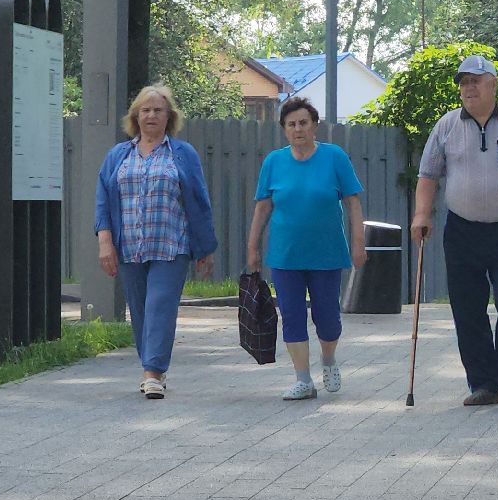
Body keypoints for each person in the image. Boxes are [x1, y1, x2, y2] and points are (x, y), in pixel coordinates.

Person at [410, 55, 498, 407]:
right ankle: (483, 385)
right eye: (463, 82)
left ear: (493, 85)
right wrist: (421, 215)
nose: (468, 87)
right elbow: (428, 176)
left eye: (475, 80)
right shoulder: (446, 126)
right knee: (468, 309)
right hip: (462, 232)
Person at [94, 84, 217, 400]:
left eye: (158, 110)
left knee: (160, 306)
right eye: (145, 110)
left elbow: (199, 202)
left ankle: (152, 373)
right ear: (136, 115)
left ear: (169, 116)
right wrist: (105, 242)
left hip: (171, 245)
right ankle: (152, 367)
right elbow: (103, 202)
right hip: (129, 246)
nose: (151, 115)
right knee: (140, 311)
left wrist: (205, 249)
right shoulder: (118, 155)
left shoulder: (182, 154)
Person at [246, 97, 367, 401]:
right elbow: (263, 208)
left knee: (327, 317)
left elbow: (352, 202)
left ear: (314, 126)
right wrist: (253, 248)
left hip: (326, 253)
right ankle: (303, 379)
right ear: (284, 130)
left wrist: (358, 243)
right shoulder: (274, 162)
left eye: (303, 123)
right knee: (292, 315)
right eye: (291, 124)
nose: (298, 129)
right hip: (286, 255)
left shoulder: (334, 157)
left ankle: (328, 360)